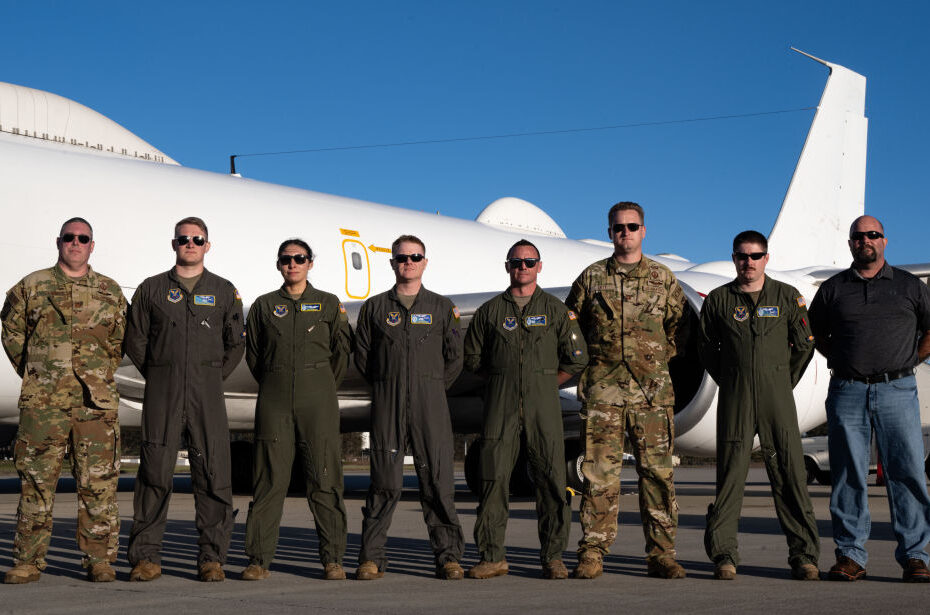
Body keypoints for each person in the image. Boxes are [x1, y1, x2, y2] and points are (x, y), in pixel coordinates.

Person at [1, 218, 126, 584]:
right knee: (37, 482)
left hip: (95, 405)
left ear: (91, 245)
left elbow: (119, 341)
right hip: (44, 404)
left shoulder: (110, 290)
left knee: (98, 485)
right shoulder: (32, 286)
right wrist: (39, 373)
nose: (75, 243)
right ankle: (27, 561)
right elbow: (12, 333)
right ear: (59, 242)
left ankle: (99, 561)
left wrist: (97, 373)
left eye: (82, 238)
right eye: (69, 237)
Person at [566, 201, 687, 579]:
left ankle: (662, 554)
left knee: (658, 474)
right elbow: (574, 330)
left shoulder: (663, 278)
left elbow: (676, 329)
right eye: (618, 228)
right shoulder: (591, 278)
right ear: (609, 232)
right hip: (604, 391)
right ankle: (593, 551)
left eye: (632, 227)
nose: (625, 233)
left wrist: (652, 364)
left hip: (652, 393)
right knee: (599, 474)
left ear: (644, 231)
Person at [808, 215, 930, 583]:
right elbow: (817, 335)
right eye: (859, 236)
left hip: (897, 389)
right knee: (848, 474)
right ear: (850, 244)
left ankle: (915, 557)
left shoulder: (909, 286)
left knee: (906, 473)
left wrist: (913, 359)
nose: (866, 241)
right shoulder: (832, 289)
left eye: (873, 235)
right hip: (848, 390)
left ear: (884, 241)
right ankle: (850, 556)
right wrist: (845, 361)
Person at [124, 216, 245, 582]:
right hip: (164, 392)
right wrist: (161, 373)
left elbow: (235, 344)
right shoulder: (151, 289)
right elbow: (136, 341)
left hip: (206, 395)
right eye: (183, 239)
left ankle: (212, 558)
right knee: (154, 474)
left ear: (207, 245)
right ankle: (146, 558)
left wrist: (208, 375)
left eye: (197, 239)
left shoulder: (224, 291)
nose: (189, 244)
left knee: (212, 475)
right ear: (173, 244)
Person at [698, 230, 819, 581]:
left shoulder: (786, 296)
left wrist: (781, 380)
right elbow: (706, 349)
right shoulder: (720, 300)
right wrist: (732, 378)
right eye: (741, 256)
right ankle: (724, 555)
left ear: (766, 258)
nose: (747, 262)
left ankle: (804, 556)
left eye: (754, 256)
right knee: (730, 476)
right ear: (734, 258)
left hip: (776, 399)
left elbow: (805, 345)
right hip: (735, 398)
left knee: (790, 475)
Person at [463, 239, 587, 580]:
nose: (522, 267)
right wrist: (503, 380)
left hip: (543, 406)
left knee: (551, 481)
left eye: (529, 262)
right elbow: (472, 358)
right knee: (492, 481)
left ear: (539, 266)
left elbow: (576, 359)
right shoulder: (489, 312)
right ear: (507, 267)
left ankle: (553, 557)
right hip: (500, 407)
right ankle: (492, 556)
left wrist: (546, 383)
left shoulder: (556, 310)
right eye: (516, 262)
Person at [354, 235, 465, 580]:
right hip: (388, 403)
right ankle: (371, 559)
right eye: (402, 257)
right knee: (384, 483)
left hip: (429, 404)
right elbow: (363, 358)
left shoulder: (441, 308)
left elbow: (454, 358)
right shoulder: (374, 308)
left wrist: (430, 385)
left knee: (438, 483)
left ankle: (448, 557)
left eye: (415, 257)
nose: (408, 262)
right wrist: (389, 383)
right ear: (392, 263)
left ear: (424, 262)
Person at [240, 239, 352, 581]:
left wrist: (316, 384)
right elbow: (255, 356)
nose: (293, 264)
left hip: (317, 396)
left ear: (310, 264)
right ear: (279, 265)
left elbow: (341, 355)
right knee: (269, 480)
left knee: (324, 477)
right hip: (274, 397)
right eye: (287, 259)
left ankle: (333, 558)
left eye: (299, 258)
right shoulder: (263, 306)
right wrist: (278, 380)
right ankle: (258, 559)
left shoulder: (329, 304)